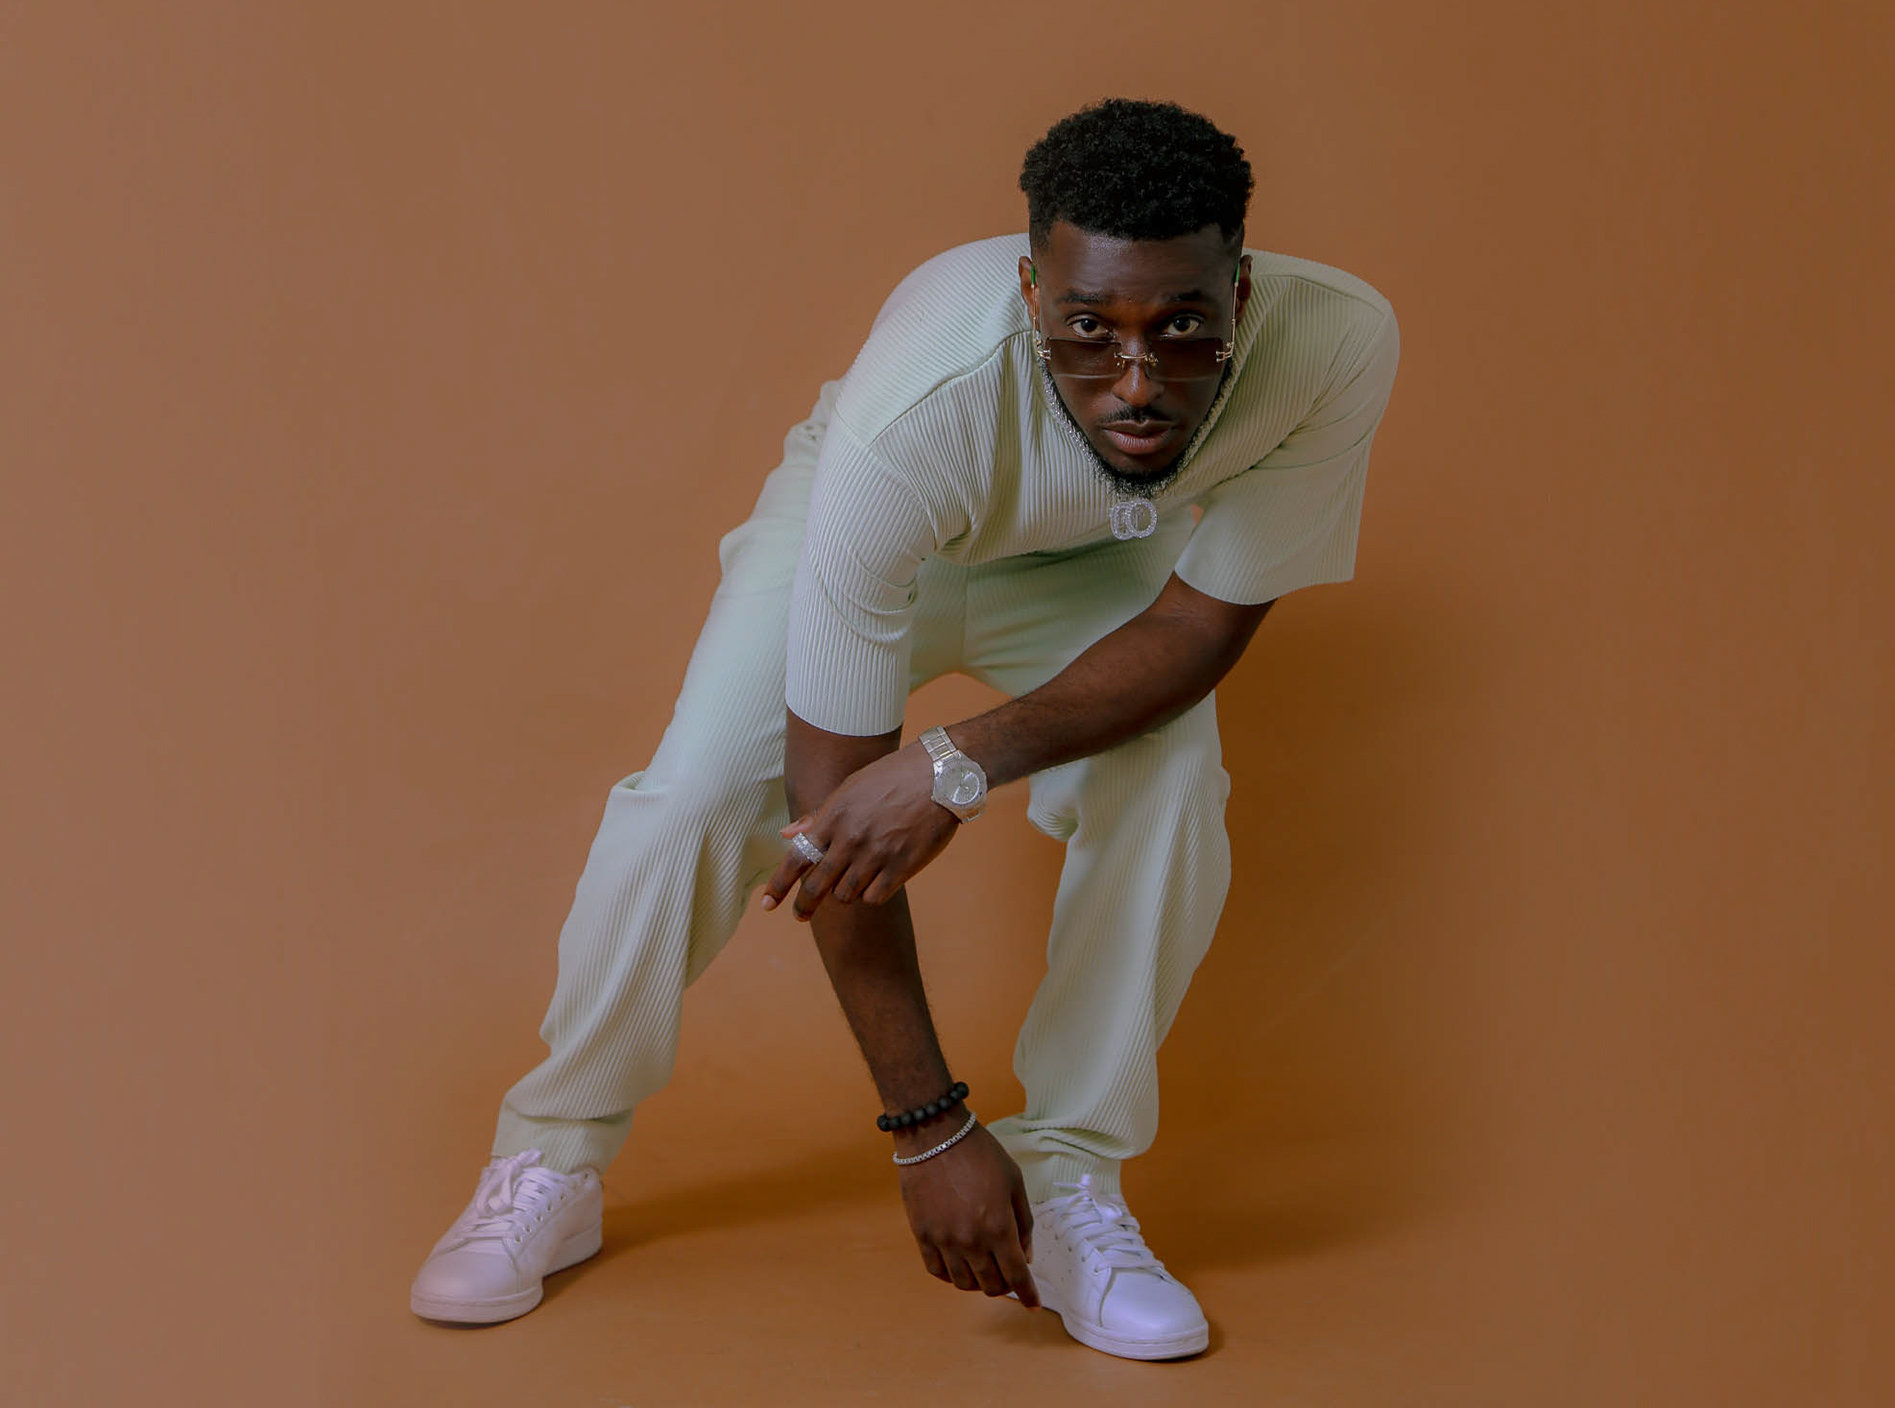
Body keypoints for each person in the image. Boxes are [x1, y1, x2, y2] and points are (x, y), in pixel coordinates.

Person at [409, 98, 1400, 1361]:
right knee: (694, 800)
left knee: (1170, 782)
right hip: (887, 542)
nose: (1138, 381)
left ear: (1242, 292)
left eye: (1183, 327)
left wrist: (956, 761)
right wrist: (927, 1128)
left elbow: (1202, 627)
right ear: (1031, 293)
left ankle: (1071, 1178)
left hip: (1095, 564)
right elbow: (832, 817)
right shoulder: (915, 409)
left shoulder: (1336, 342)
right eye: (1089, 329)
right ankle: (552, 1157)